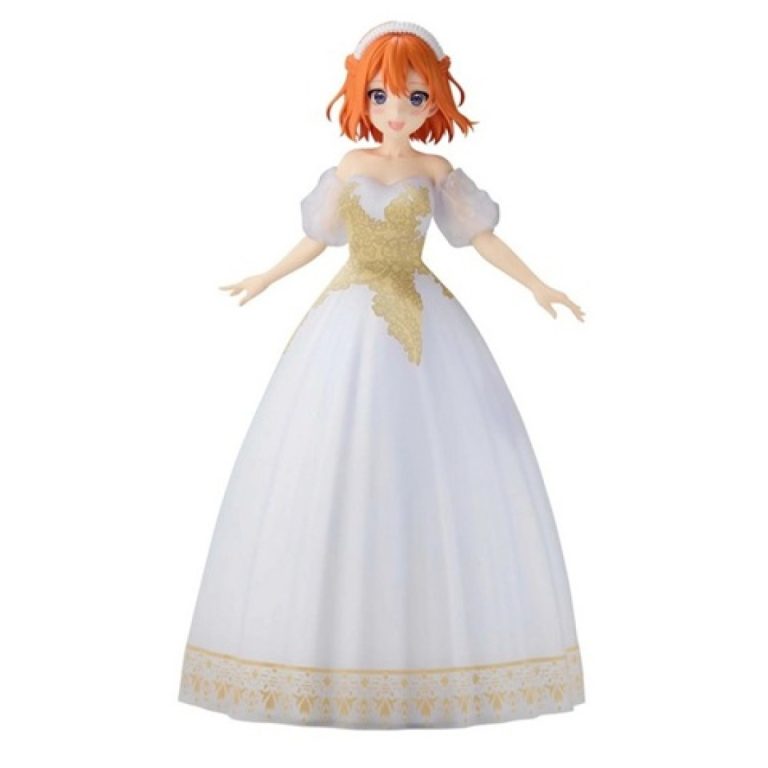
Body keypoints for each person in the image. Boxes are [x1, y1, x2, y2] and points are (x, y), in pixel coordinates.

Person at [178, 19, 586, 729]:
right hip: (350, 316)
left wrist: (536, 284)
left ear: (435, 102)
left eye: (414, 97)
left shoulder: (436, 172)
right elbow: (317, 239)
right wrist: (266, 276)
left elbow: (481, 238)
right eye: (382, 95)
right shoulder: (347, 166)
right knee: (334, 454)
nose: (397, 111)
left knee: (435, 463)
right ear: (361, 97)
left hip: (425, 318)